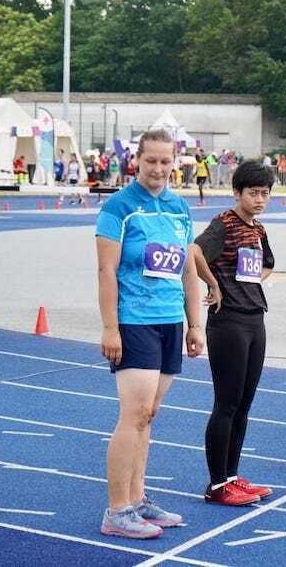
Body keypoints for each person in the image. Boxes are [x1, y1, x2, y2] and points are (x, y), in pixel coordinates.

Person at [95, 128, 204, 539]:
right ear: (136, 161)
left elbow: (188, 270)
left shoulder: (179, 208)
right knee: (134, 414)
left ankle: (137, 500)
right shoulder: (119, 208)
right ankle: (117, 509)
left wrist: (195, 324)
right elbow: (106, 271)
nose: (158, 169)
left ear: (174, 162)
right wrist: (110, 327)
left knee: (149, 415)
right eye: (151, 161)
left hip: (169, 321)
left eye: (165, 161)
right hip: (134, 321)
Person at [190, 159, 277, 505]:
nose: (259, 199)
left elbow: (267, 263)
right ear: (237, 192)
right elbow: (194, 252)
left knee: (244, 404)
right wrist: (214, 284)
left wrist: (247, 283)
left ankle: (231, 476)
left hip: (256, 318)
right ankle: (216, 485)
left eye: (265, 194)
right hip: (228, 323)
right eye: (253, 193)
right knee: (226, 403)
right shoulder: (223, 223)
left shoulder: (258, 229)